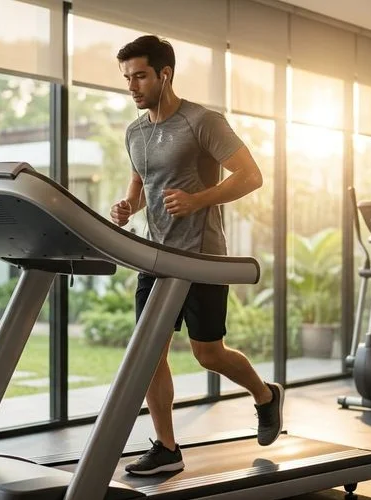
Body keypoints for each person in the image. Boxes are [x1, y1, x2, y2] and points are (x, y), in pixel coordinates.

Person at [108, 34, 284, 476]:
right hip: (156, 259)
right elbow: (141, 183)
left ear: (164, 74)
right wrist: (128, 206)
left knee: (209, 354)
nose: (132, 86)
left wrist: (199, 199)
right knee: (148, 353)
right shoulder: (135, 132)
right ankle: (167, 448)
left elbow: (252, 175)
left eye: (140, 76)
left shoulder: (202, 121)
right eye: (127, 78)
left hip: (202, 257)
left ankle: (265, 395)